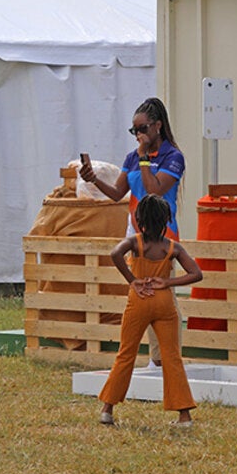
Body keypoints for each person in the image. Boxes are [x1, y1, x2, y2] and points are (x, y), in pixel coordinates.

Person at [80, 97, 186, 363]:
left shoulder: (173, 157)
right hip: (136, 234)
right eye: (134, 130)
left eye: (143, 129)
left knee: (163, 296)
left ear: (158, 126)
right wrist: (94, 179)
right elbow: (118, 193)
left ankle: (167, 357)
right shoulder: (133, 157)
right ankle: (157, 357)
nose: (138, 135)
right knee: (143, 292)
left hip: (163, 235)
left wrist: (143, 160)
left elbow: (154, 190)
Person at [98, 194, 202, 427]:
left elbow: (115, 253)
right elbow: (196, 273)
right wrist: (167, 283)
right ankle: (184, 415)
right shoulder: (172, 247)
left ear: (140, 219)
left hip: (139, 299)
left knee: (126, 354)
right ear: (166, 220)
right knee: (172, 357)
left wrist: (132, 280)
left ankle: (108, 409)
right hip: (164, 302)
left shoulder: (135, 242)